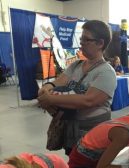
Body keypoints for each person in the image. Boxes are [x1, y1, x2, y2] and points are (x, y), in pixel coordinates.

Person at [38, 20, 117, 154]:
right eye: (81, 38)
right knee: (73, 163)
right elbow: (58, 82)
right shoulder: (76, 65)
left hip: (93, 131)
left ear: (100, 43)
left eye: (86, 40)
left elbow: (88, 100)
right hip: (72, 129)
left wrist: (50, 99)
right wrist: (45, 88)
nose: (81, 43)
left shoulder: (106, 72)